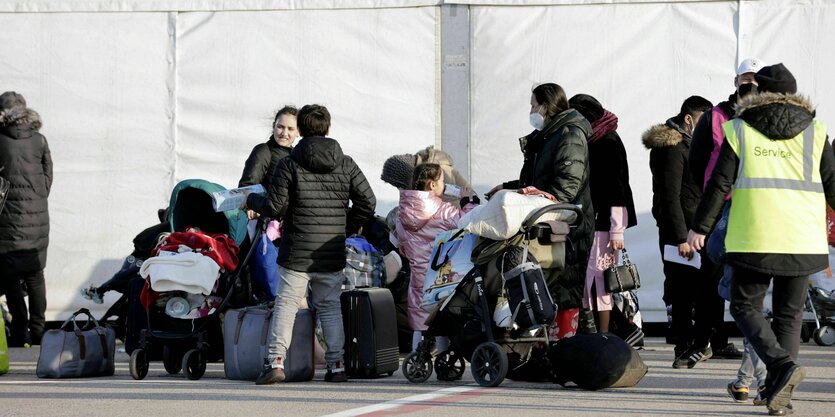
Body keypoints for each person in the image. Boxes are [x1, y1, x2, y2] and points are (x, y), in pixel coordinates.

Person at [688, 63, 835, 416]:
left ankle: (781, 369)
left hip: (756, 235)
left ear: (758, 92)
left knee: (744, 306)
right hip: (802, 237)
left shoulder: (738, 129)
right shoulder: (816, 131)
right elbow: (833, 184)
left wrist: (700, 226)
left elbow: (719, 183)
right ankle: (777, 392)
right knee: (789, 314)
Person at [245, 104, 376, 384]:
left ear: (301, 130)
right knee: (329, 307)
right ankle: (337, 366)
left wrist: (250, 200)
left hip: (297, 251)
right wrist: (344, 228)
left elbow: (275, 207)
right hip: (330, 251)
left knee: (286, 305)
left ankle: (275, 363)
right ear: (328, 129)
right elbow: (368, 202)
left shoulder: (289, 163)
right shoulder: (347, 163)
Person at [487, 83, 594, 339]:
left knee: (565, 289)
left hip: (566, 228)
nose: (532, 110)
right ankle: (545, 352)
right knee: (547, 288)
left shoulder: (569, 135)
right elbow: (539, 180)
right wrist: (508, 188)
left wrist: (528, 196)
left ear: (546, 107)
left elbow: (565, 188)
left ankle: (564, 349)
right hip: (551, 225)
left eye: (534, 105)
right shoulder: (550, 135)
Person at [689, 59, 768, 361]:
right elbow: (697, 162)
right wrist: (713, 194)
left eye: (754, 80)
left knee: (744, 276)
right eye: (744, 79)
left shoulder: (765, 117)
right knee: (710, 274)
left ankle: (727, 340)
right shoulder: (715, 116)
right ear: (735, 82)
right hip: (720, 207)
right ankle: (703, 339)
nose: (749, 85)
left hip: (752, 207)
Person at [642, 95, 713, 368]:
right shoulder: (672, 147)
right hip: (679, 230)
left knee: (691, 288)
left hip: (690, 226)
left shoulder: (686, 143)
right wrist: (681, 237)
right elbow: (670, 196)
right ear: (688, 118)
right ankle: (683, 347)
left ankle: (696, 343)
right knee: (680, 290)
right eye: (702, 120)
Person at [567, 94, 637, 337]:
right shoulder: (599, 137)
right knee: (594, 280)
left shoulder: (606, 141)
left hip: (605, 223)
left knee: (600, 282)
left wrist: (617, 231)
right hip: (596, 221)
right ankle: (601, 330)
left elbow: (616, 189)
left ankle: (603, 333)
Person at [397, 163, 477, 351]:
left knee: (419, 319)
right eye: (442, 180)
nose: (444, 184)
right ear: (432, 185)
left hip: (418, 275)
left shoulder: (403, 213)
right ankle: (443, 357)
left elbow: (403, 246)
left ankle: (416, 356)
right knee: (443, 313)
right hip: (441, 275)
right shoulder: (443, 211)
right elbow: (467, 223)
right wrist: (467, 201)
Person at [0, 92, 52, 347]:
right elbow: (48, 177)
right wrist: (37, 200)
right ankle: (40, 331)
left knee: (10, 277)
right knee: (35, 275)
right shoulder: (39, 140)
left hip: (6, 220)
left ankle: (20, 332)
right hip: (38, 219)